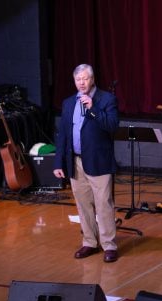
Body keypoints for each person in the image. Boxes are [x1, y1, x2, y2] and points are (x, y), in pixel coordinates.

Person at [53, 64, 120, 263]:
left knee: (103, 205)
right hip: (75, 161)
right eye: (78, 80)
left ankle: (109, 245)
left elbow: (112, 126)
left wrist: (93, 109)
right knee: (83, 205)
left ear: (92, 80)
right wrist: (59, 163)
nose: (82, 83)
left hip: (98, 161)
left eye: (85, 79)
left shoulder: (106, 99)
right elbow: (63, 134)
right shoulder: (68, 103)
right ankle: (90, 242)